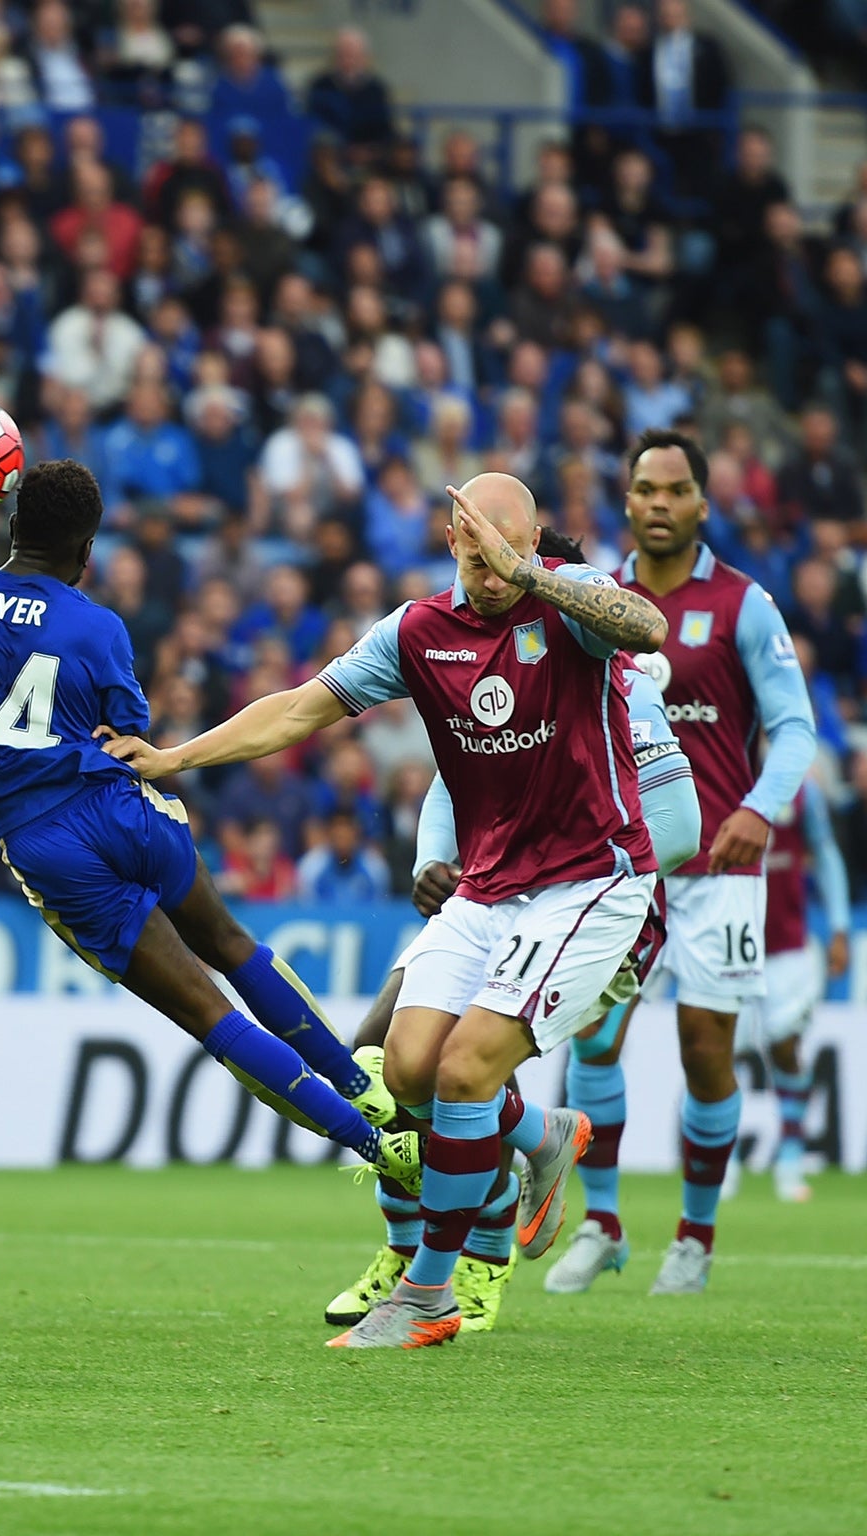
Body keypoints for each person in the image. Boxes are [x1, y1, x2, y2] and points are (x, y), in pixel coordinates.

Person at [108, 473, 671, 1347]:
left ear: (531, 540)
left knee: (464, 1071)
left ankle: (430, 1294)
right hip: (488, 887)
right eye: (481, 552)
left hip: (590, 879)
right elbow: (296, 710)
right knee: (401, 1069)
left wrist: (536, 578)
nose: (495, 571)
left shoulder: (568, 605)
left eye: (512, 550)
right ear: (453, 539)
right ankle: (544, 1133)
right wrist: (172, 758)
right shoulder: (416, 633)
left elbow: (647, 625)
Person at [0, 458, 419, 1208]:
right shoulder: (99, 625)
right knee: (233, 946)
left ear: (12, 527)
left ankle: (380, 1149)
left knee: (208, 1016)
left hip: (49, 843)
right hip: (126, 808)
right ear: (88, 551)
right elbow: (128, 728)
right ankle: (355, 1083)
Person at [320, 536, 702, 1333]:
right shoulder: (474, 657)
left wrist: (551, 856)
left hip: (590, 897)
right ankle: (430, 1231)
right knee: (386, 1054)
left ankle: (472, 1265)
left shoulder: (616, 678)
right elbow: (466, 778)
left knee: (470, 1070)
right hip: (490, 891)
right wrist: (437, 857)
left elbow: (678, 826)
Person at [549, 431, 818, 1295]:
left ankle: (694, 1237)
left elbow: (795, 729)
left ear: (703, 502)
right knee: (594, 1041)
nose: (659, 503)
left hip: (718, 874)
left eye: (676, 489)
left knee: (708, 1052)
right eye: (644, 489)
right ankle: (602, 1224)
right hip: (619, 867)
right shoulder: (597, 599)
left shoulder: (745, 604)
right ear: (625, 501)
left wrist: (756, 809)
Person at [725, 782, 848, 1203]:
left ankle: (791, 1160)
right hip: (730, 942)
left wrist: (839, 925)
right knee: (722, 1055)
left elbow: (826, 852)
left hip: (787, 946)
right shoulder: (722, 778)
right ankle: (725, 1165)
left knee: (784, 1047)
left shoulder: (801, 793)